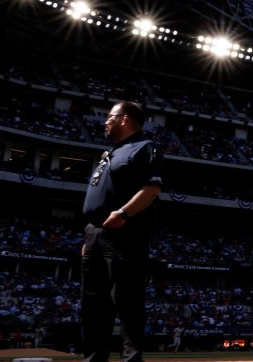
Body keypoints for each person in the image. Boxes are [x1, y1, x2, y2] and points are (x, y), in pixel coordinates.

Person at [80, 101, 163, 362]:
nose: (105, 121)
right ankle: (93, 359)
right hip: (95, 234)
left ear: (124, 119)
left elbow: (151, 189)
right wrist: (89, 235)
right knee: (93, 305)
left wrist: (124, 213)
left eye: (109, 117)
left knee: (126, 304)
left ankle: (131, 360)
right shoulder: (111, 152)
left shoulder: (145, 147)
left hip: (124, 234)